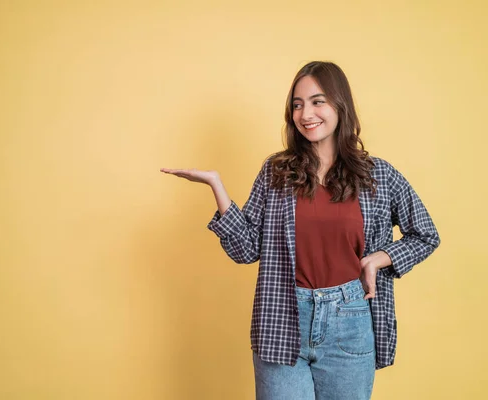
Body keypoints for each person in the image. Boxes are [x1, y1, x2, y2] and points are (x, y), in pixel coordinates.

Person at [160, 61, 440, 400]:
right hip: (282, 317)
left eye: (317, 101)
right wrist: (217, 187)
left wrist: (379, 258)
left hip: (350, 320)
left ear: (340, 105)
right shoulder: (276, 172)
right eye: (297, 104)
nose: (305, 113)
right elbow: (245, 250)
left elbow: (425, 235)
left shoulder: (376, 175)